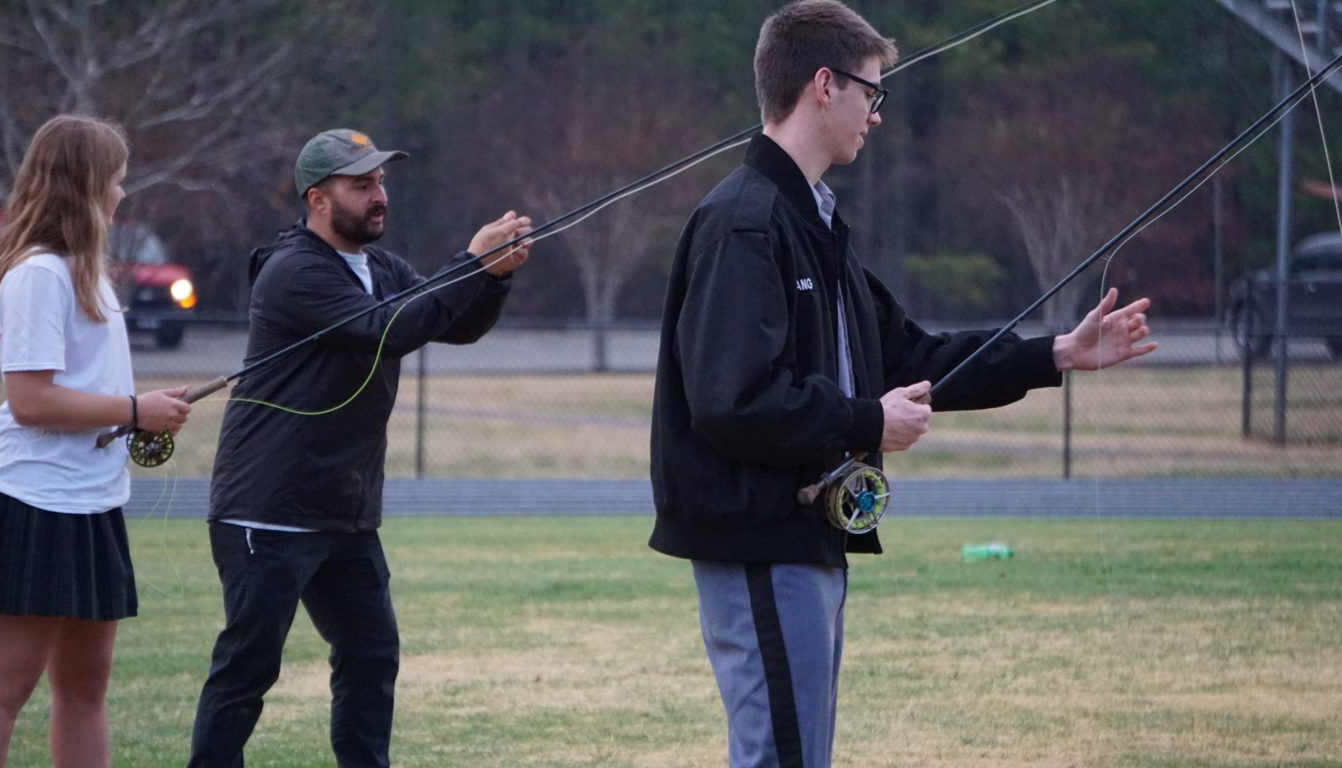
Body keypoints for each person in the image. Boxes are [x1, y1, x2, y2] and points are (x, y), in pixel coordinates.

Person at [647, 3, 1158, 766]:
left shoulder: (815, 225)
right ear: (825, 84)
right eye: (871, 93)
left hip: (807, 540)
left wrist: (1054, 354)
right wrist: (863, 423)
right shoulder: (745, 223)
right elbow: (732, 401)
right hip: (759, 539)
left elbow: (910, 353)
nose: (876, 115)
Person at [187, 128, 531, 767]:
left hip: (343, 511)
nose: (380, 196)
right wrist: (469, 261)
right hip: (269, 507)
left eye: (381, 182)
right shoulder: (294, 272)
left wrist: (494, 279)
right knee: (247, 672)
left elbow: (450, 323)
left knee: (371, 655)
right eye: (362, 184)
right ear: (318, 199)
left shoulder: (381, 267)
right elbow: (386, 330)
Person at [0, 115, 191, 767]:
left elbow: (80, 386)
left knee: (87, 686)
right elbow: (31, 400)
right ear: (87, 184)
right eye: (117, 181)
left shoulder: (87, 272)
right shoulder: (38, 274)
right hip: (32, 503)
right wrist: (133, 410)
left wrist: (143, 408)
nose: (122, 195)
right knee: (3, 691)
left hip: (91, 504)